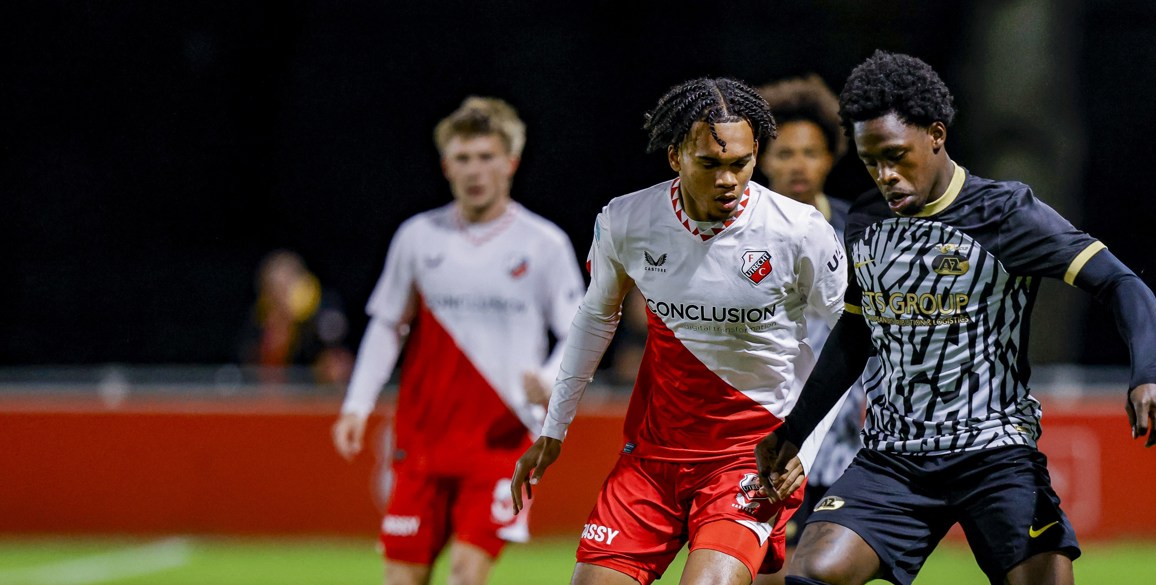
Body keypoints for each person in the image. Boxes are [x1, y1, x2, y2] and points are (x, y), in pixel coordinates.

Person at [755, 51, 1156, 585]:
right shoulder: (865, 220)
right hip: (894, 458)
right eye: (871, 162)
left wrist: (1148, 375)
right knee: (813, 573)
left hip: (995, 456)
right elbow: (857, 334)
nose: (886, 175)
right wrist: (793, 431)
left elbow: (1122, 283)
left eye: (896, 156)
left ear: (936, 135)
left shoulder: (1006, 214)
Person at [509, 77, 848, 585]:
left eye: (741, 163)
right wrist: (554, 428)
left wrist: (802, 442)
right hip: (651, 458)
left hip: (751, 455)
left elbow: (852, 339)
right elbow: (596, 317)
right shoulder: (627, 220)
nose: (728, 180)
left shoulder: (797, 231)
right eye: (710, 164)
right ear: (675, 157)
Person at [331, 96, 584, 585]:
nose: (475, 170)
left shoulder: (543, 243)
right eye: (463, 158)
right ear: (446, 166)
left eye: (486, 156)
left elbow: (577, 327)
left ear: (510, 162)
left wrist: (551, 377)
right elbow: (387, 325)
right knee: (401, 578)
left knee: (466, 576)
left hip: (502, 439)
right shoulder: (418, 237)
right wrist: (357, 405)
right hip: (421, 440)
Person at [751, 73, 872, 585]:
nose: (798, 164)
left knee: (824, 573)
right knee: (767, 570)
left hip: (846, 442)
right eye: (784, 153)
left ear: (830, 157)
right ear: (761, 159)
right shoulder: (742, 234)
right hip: (770, 433)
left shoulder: (858, 232)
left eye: (810, 152)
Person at [238, 248, 354, 386]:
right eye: (275, 289)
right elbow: (251, 364)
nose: (281, 296)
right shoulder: (260, 317)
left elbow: (336, 360)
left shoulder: (323, 311)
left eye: (287, 286)